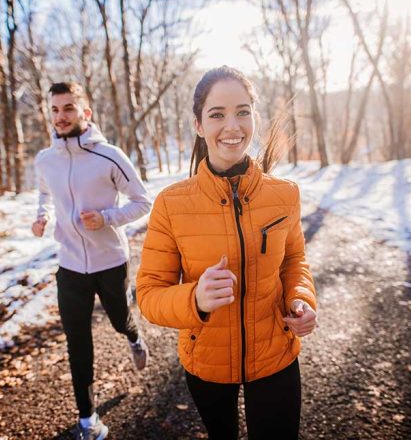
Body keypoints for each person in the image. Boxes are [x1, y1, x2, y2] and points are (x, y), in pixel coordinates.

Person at [136, 66, 318, 439]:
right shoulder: (171, 204)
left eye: (242, 111)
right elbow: (149, 294)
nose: (232, 126)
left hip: (276, 356)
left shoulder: (285, 194)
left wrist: (300, 298)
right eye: (217, 114)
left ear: (254, 115)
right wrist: (195, 299)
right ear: (199, 125)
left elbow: (294, 261)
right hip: (207, 361)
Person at [32, 81, 151, 440]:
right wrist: (41, 215)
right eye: (54, 109)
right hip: (69, 266)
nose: (60, 116)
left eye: (68, 108)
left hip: (110, 261)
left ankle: (133, 336)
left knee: (118, 319)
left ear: (86, 113)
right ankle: (88, 419)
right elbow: (43, 193)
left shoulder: (109, 155)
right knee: (77, 341)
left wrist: (107, 217)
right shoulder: (45, 159)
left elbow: (143, 201)